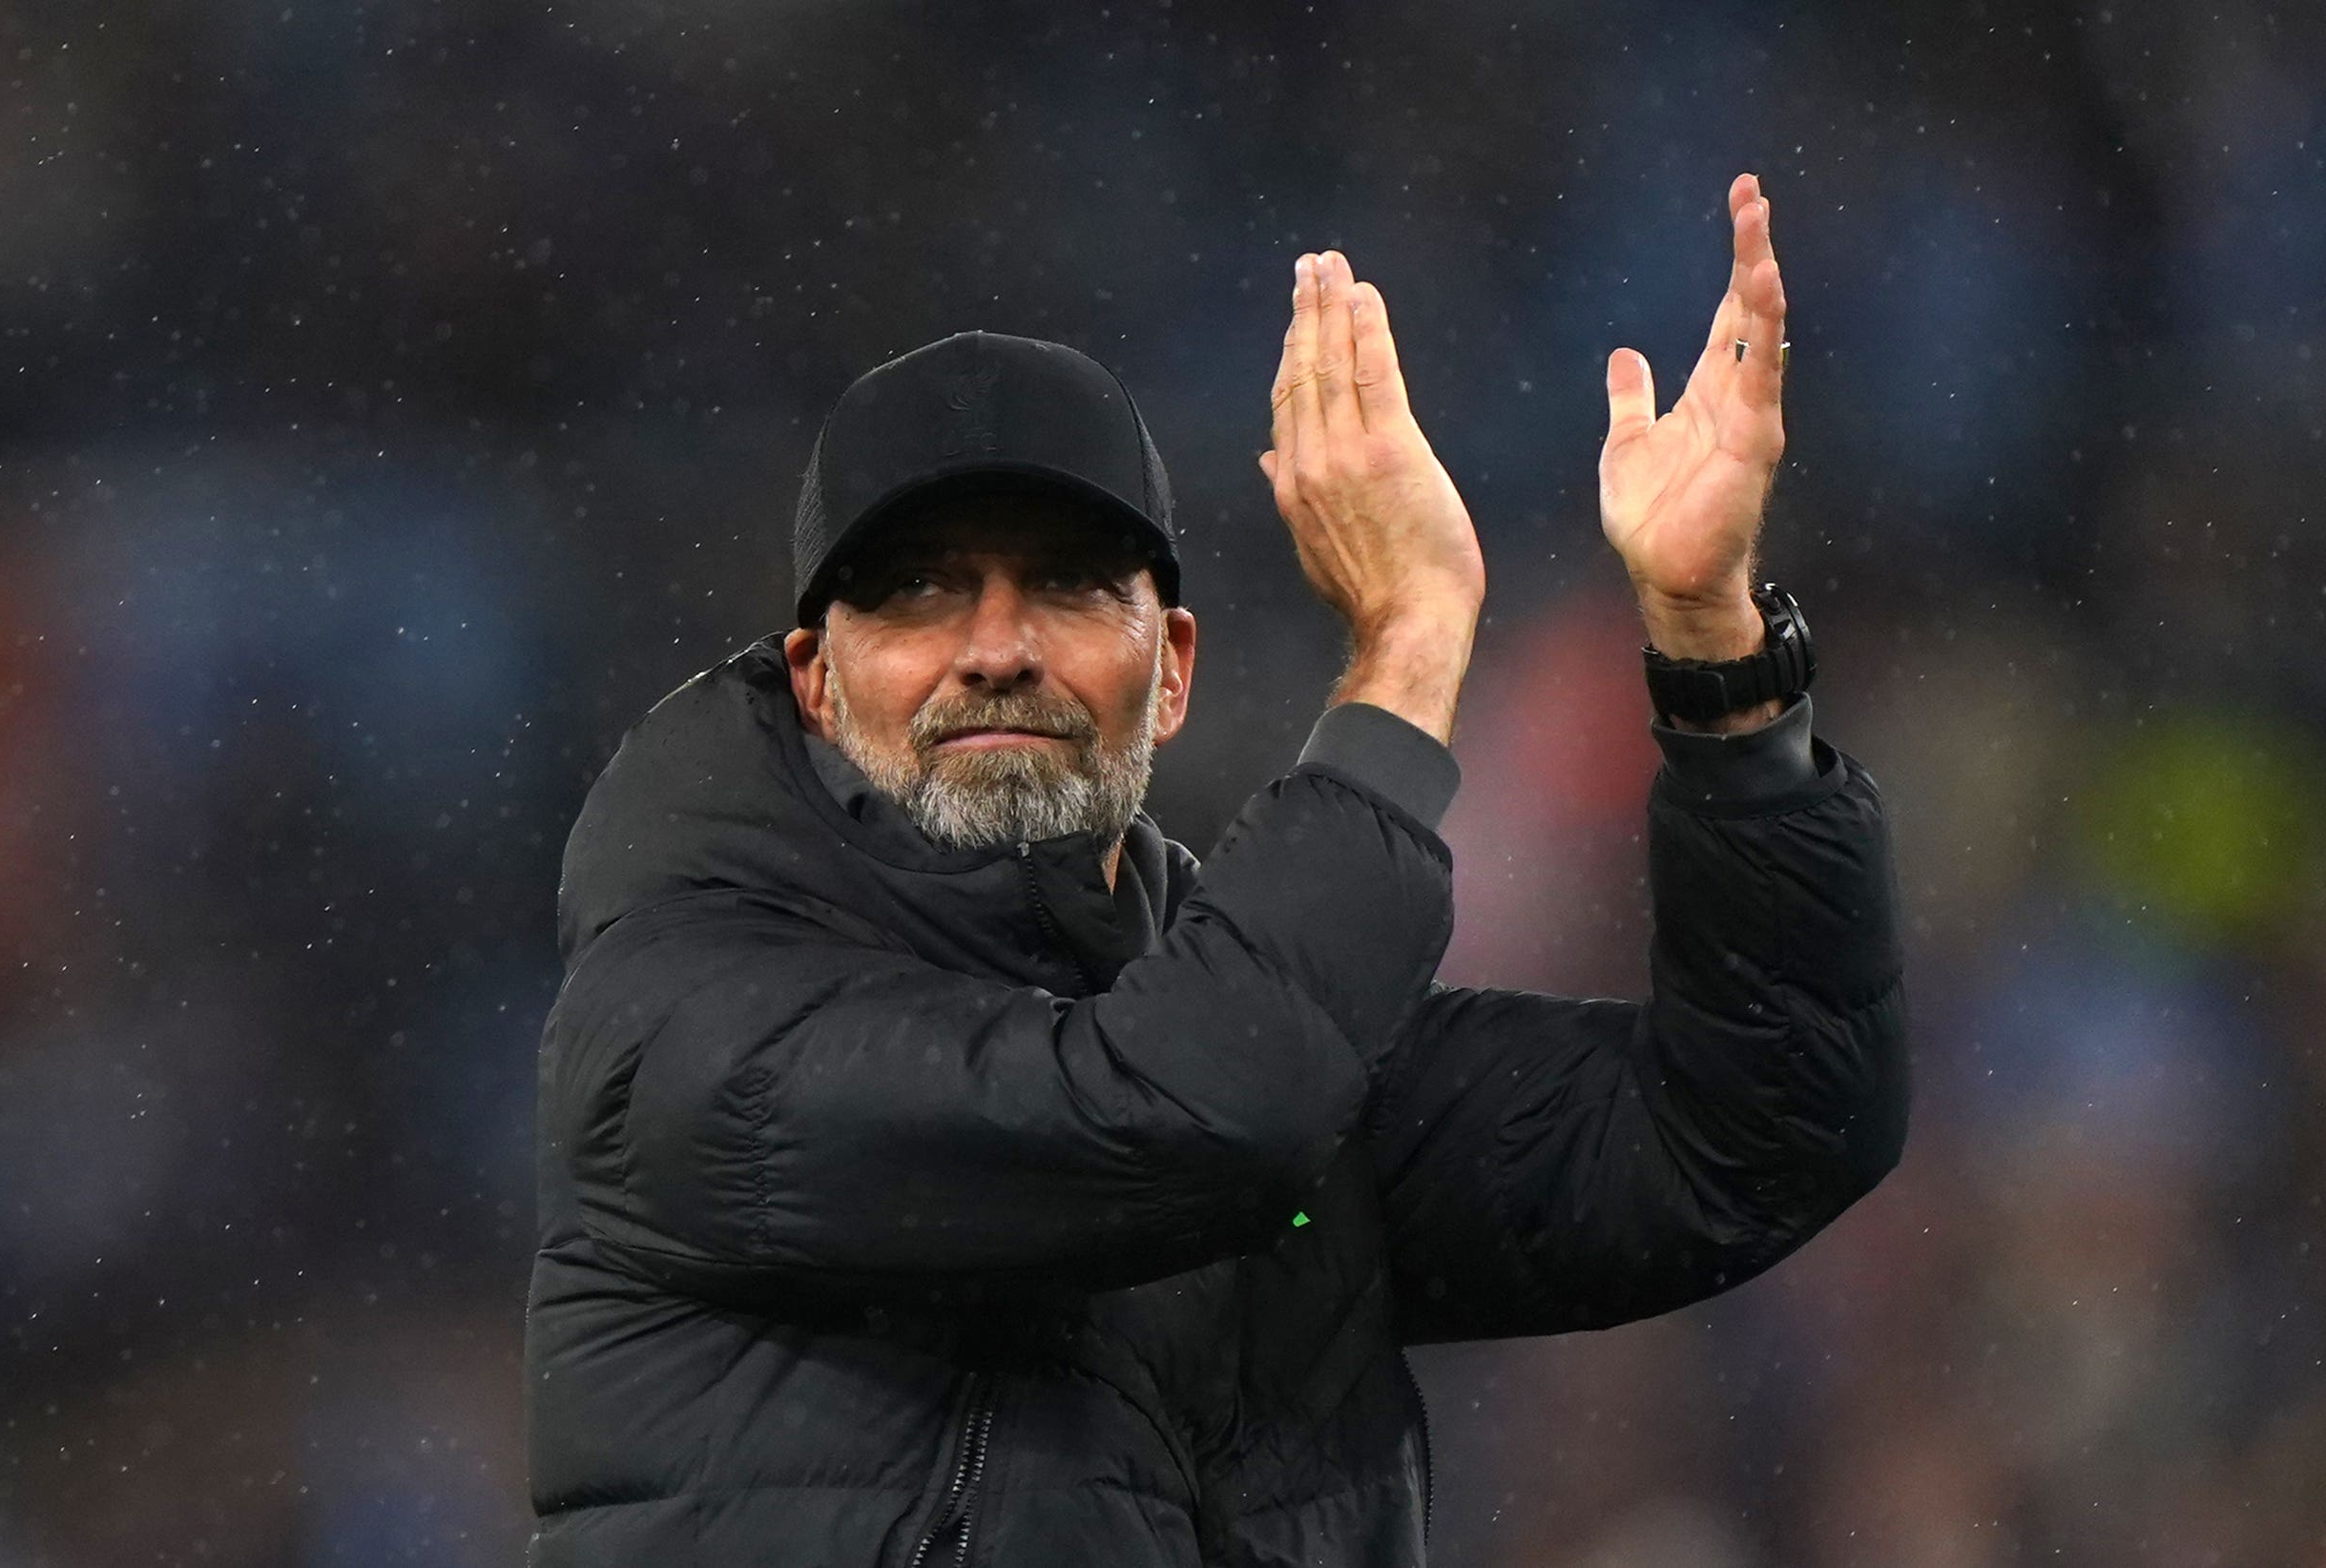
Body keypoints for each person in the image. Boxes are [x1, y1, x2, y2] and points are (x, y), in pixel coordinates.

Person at [526, 172, 1907, 1566]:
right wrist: (1407, 646)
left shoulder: (1285, 1057)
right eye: (919, 591)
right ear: (815, 685)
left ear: (1171, 671)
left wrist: (1713, 653)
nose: (996, 645)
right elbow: (1176, 1115)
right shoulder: (679, 1014)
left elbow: (1763, 1131)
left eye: (1068, 585)